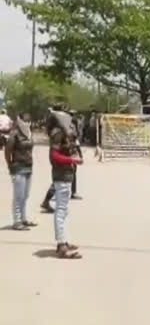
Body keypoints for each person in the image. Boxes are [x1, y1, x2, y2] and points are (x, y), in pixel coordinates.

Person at [47, 108, 83, 259]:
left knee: (63, 210)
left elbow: (66, 150)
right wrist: (71, 160)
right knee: (61, 211)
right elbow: (54, 156)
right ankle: (62, 245)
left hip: (66, 174)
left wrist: (74, 155)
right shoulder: (58, 133)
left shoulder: (64, 133)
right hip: (61, 175)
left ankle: (63, 241)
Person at [5, 113, 36, 231]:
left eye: (29, 120)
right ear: (20, 120)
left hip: (29, 167)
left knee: (25, 196)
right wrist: (10, 166)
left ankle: (23, 218)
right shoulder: (15, 134)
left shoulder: (29, 132)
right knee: (18, 196)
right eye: (25, 120)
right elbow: (8, 151)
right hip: (18, 168)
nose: (27, 122)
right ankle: (16, 221)